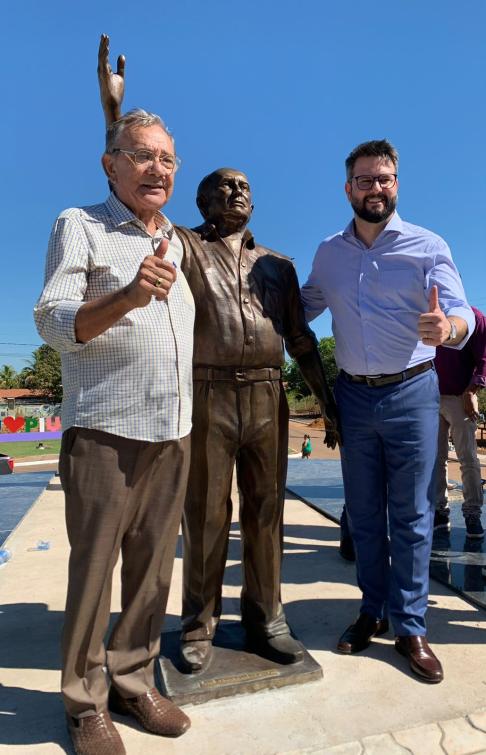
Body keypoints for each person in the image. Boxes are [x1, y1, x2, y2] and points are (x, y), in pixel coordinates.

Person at [97, 37, 340, 675]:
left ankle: (268, 617)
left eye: (243, 187)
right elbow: (136, 194)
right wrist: (111, 116)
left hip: (268, 395)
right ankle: (200, 622)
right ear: (202, 202)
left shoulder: (278, 265)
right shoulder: (182, 245)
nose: (235, 192)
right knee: (204, 513)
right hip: (204, 393)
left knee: (266, 510)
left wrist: (329, 405)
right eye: (222, 186)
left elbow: (303, 341)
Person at [34, 106, 194, 754]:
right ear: (111, 164)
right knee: (94, 576)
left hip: (172, 431)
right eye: (141, 155)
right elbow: (51, 320)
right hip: (105, 429)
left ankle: (133, 679)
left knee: (154, 575)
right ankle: (83, 702)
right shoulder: (83, 225)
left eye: (166, 158)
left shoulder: (177, 239)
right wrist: (128, 295)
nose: (156, 167)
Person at [301, 139, 474, 684]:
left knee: (414, 515)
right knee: (365, 513)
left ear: (396, 183)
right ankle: (372, 610)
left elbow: (462, 311)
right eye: (365, 179)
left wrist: (449, 329)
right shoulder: (329, 252)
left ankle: (411, 625)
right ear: (347, 187)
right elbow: (302, 306)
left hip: (412, 393)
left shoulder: (427, 245)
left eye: (385, 178)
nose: (376, 187)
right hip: (353, 394)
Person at [434, 306, 486, 538]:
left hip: (459, 397)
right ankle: (439, 511)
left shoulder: (473, 317)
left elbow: (484, 357)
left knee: (467, 458)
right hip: (428, 397)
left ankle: (472, 513)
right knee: (435, 459)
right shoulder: (424, 312)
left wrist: (471, 391)